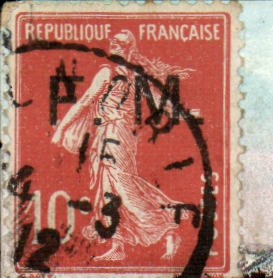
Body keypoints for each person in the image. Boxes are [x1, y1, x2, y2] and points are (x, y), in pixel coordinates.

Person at [48, 31, 191, 262]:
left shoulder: (121, 74)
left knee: (122, 186)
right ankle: (119, 244)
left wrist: (61, 129)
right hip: (110, 134)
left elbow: (157, 101)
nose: (115, 46)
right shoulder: (121, 73)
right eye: (113, 43)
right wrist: (62, 128)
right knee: (110, 188)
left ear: (128, 49)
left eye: (120, 44)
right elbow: (87, 101)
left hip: (116, 134)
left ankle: (167, 230)